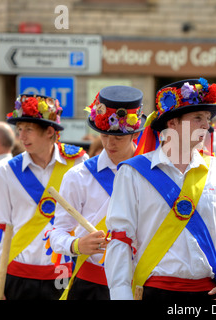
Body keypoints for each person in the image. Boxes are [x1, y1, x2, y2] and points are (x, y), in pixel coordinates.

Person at [105, 78, 216, 300]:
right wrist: (121, 294)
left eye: (207, 119)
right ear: (172, 124)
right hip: (153, 291)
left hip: (210, 291)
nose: (206, 125)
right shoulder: (133, 172)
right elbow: (121, 239)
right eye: (197, 118)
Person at [49, 86, 145, 300]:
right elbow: (56, 232)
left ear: (134, 134)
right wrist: (76, 245)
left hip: (140, 283)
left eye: (118, 138)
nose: (109, 143)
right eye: (104, 134)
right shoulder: (78, 176)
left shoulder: (152, 173)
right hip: (90, 285)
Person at [0, 94, 88, 300]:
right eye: (19, 129)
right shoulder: (5, 171)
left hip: (63, 270)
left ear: (50, 132)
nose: (22, 137)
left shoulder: (79, 161)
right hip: (18, 273)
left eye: (28, 129)